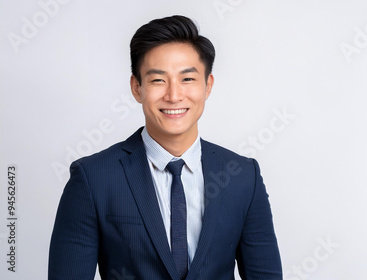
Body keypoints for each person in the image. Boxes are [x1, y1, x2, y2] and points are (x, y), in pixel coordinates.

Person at [48, 15, 282, 280]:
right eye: (158, 80)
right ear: (137, 88)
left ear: (207, 86)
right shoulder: (93, 177)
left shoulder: (243, 176)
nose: (173, 95)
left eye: (187, 79)